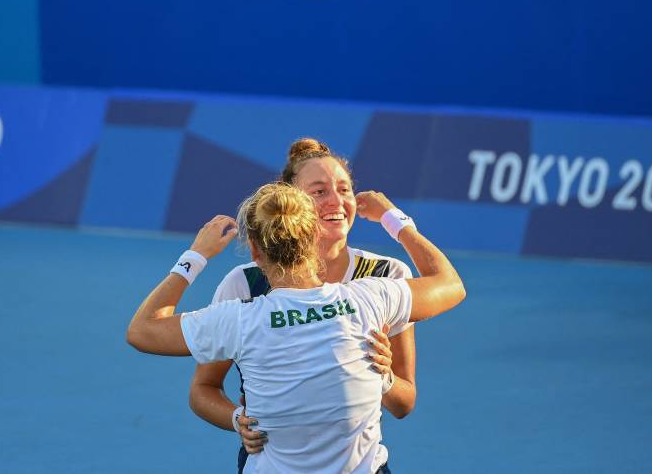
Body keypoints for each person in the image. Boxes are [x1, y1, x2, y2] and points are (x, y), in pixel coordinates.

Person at [127, 182, 465, 473]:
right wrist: (396, 221)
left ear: (256, 252)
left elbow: (142, 331)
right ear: (316, 235)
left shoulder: (238, 319)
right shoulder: (370, 299)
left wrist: (196, 255)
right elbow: (450, 285)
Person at [189, 139, 435, 468]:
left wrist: (384, 376)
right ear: (291, 202)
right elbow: (203, 388)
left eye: (344, 189)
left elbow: (404, 403)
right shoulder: (245, 283)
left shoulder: (387, 275)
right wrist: (236, 419)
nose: (336, 201)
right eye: (319, 192)